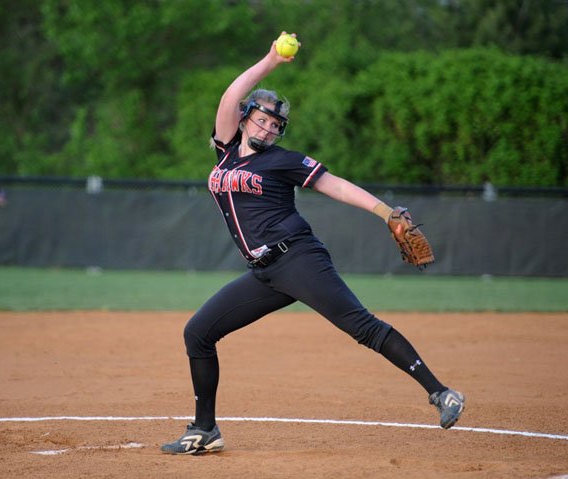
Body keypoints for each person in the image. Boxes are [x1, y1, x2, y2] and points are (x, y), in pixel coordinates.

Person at [161, 33, 465, 455]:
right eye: (261, 119)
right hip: (265, 273)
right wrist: (270, 60)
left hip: (298, 259)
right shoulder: (226, 152)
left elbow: (334, 185)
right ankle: (205, 429)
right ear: (246, 118)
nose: (267, 127)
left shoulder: (281, 160)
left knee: (361, 326)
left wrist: (385, 213)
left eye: (274, 124)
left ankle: (441, 393)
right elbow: (231, 94)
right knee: (198, 333)